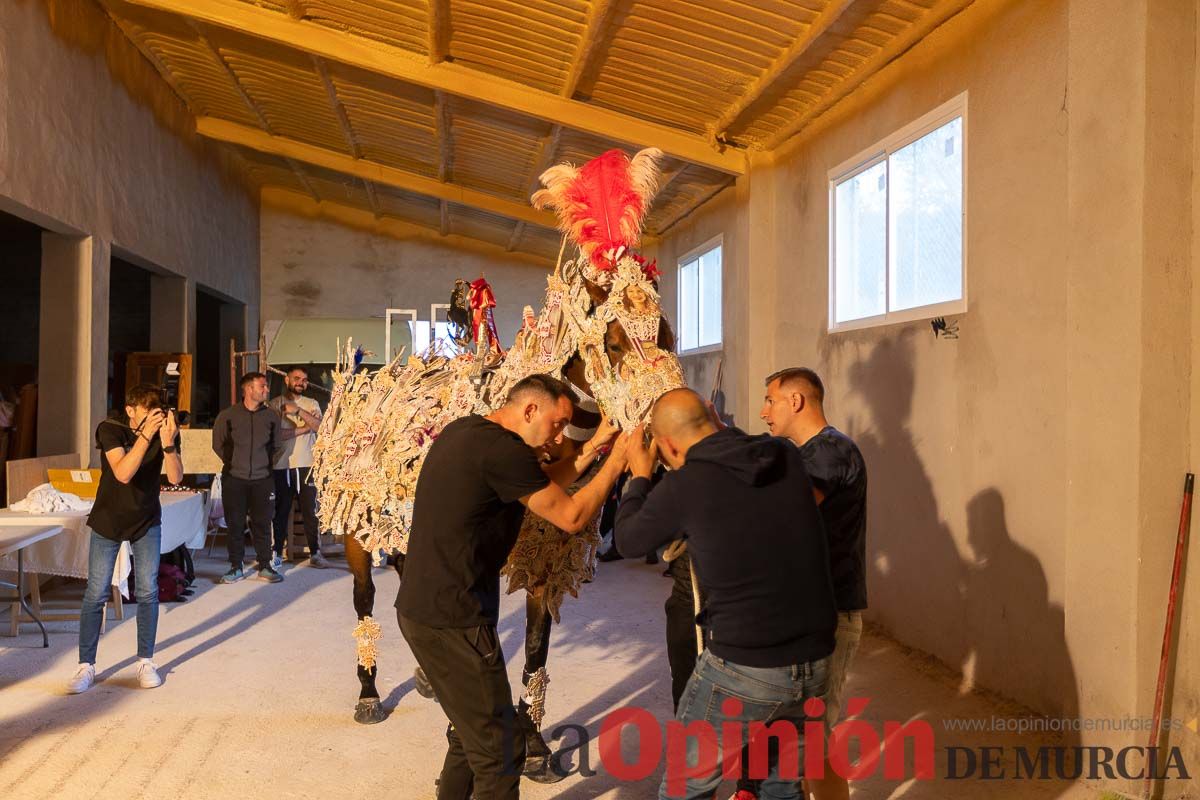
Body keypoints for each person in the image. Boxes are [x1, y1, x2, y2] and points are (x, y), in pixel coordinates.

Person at [396, 374, 629, 800]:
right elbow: (572, 516)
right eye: (557, 425)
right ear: (529, 411)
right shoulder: (504, 453)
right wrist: (616, 464)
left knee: (470, 738)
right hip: (455, 620)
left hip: (424, 611)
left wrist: (596, 446)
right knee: (501, 753)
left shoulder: (469, 432)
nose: (559, 438)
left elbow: (542, 482)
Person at [614, 388, 836, 800]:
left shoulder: (685, 484)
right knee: (780, 784)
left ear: (668, 446)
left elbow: (627, 540)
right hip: (817, 661)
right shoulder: (782, 455)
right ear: (715, 416)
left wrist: (640, 476)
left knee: (685, 786)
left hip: (747, 666)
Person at [737, 367, 867, 800]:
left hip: (830, 614)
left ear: (796, 401)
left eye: (770, 400)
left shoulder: (831, 451)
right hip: (804, 614)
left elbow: (784, 513)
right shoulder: (806, 454)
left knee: (812, 739)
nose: (763, 411)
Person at [67, 384, 183, 694]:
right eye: (147, 411)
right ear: (131, 410)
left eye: (156, 410)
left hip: (146, 520)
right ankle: (85, 666)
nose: (154, 417)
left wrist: (168, 444)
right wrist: (146, 437)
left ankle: (146, 660)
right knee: (96, 592)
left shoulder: (165, 432)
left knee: (147, 592)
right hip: (109, 519)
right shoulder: (111, 429)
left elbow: (174, 478)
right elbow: (122, 473)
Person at [213, 372, 284, 584]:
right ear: (248, 389)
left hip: (263, 479)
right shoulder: (227, 416)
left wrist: (264, 465)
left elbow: (278, 446)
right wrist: (235, 464)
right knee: (235, 524)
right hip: (235, 478)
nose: (267, 390)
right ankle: (236, 567)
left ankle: (265, 566)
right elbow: (218, 445)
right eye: (262, 386)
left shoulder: (271, 416)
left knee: (262, 523)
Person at [268, 367, 328, 569]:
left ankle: (315, 553)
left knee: (310, 511)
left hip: (306, 464)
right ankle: (276, 553)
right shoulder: (274, 404)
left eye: (304, 380)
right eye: (296, 378)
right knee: (280, 511)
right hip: (281, 465)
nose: (301, 382)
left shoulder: (312, 404)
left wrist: (298, 412)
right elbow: (277, 435)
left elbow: (320, 428)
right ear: (287, 380)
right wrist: (305, 427)